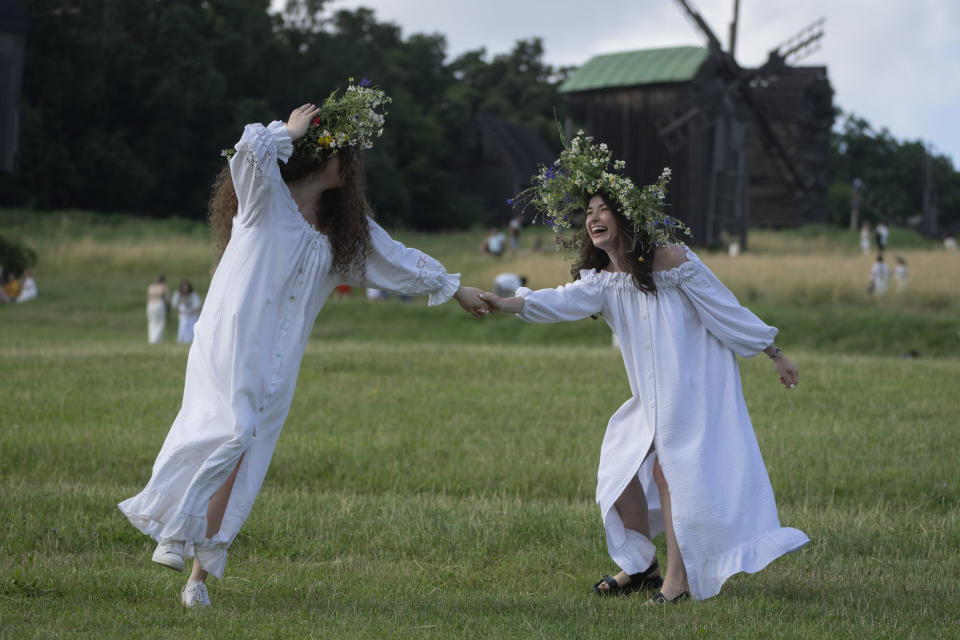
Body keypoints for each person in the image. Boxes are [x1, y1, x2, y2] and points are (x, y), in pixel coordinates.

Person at [118, 85, 489, 609]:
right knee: (230, 429)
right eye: (349, 156)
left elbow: (396, 259)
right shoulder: (264, 199)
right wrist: (287, 132)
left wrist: (454, 289)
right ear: (328, 154)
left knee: (246, 452)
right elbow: (247, 152)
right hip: (231, 339)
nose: (353, 168)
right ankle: (173, 532)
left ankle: (197, 574)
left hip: (278, 359)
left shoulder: (341, 236)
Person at [480, 131, 807, 604]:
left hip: (694, 388)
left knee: (667, 474)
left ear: (624, 215)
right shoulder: (603, 283)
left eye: (603, 209)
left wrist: (774, 352)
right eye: (588, 212)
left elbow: (725, 308)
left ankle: (677, 579)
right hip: (652, 396)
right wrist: (504, 304)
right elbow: (557, 301)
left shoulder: (671, 262)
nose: (593, 218)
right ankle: (644, 565)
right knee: (618, 469)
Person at [146, 274, 171, 344]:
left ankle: (151, 340)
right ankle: (156, 340)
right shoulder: (164, 287)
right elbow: (168, 299)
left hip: (150, 305)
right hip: (159, 304)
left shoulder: (151, 286)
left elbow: (148, 297)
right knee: (160, 323)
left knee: (151, 322)